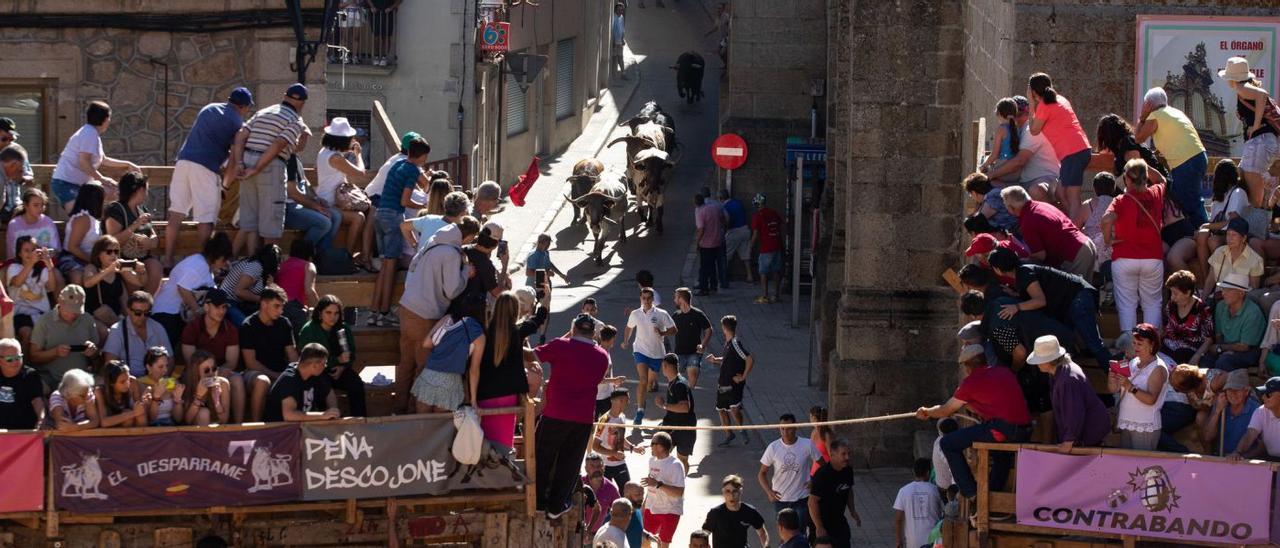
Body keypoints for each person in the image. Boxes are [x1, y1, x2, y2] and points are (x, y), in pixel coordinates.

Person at [916, 344, 1031, 501]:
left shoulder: (970, 383)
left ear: (967, 367)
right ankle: (991, 495)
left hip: (1003, 429)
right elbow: (997, 403)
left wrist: (927, 412)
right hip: (1025, 429)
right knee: (1000, 455)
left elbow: (945, 411)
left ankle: (971, 493)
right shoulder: (1003, 372)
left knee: (948, 443)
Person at [164, 87, 255, 267]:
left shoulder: (209, 108)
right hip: (205, 168)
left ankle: (167, 259)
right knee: (206, 219)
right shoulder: (237, 124)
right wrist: (226, 186)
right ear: (244, 107)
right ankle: (208, 264)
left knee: (175, 214)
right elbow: (233, 161)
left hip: (183, 162)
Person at [533, 308, 611, 517]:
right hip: (583, 419)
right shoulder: (603, 356)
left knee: (543, 457)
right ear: (593, 333)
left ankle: (539, 503)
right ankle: (556, 506)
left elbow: (534, 355)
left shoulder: (561, 346)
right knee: (570, 462)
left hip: (555, 414)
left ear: (573, 328)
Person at [987, 247, 1112, 367]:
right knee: (1081, 344)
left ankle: (1117, 376)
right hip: (1075, 299)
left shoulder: (1023, 272)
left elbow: (1040, 301)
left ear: (997, 269)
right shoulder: (1023, 269)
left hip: (1077, 298)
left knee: (1094, 344)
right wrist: (1015, 294)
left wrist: (1016, 307)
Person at [231, 84, 309, 254]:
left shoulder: (263, 112)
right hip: (270, 166)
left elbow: (240, 135)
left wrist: (239, 163)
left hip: (247, 161)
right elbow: (279, 144)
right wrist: (258, 168)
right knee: (271, 227)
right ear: (302, 103)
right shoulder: (296, 120)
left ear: (284, 95)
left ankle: (234, 264)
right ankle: (268, 271)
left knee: (249, 223)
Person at [474, 291, 548, 452]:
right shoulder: (518, 331)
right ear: (515, 311)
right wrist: (546, 299)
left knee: (484, 442)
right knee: (503, 443)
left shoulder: (483, 333)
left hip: (484, 395)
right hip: (508, 395)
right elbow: (539, 318)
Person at [369, 137, 431, 327]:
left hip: (379, 215)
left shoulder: (399, 164)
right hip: (394, 217)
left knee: (384, 267)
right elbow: (405, 201)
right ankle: (385, 311)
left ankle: (374, 312)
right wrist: (424, 205)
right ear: (421, 156)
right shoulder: (412, 170)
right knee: (390, 268)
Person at [1100, 158, 1167, 330]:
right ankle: (1151, 346)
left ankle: (1129, 348)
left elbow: (1106, 219)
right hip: (1152, 258)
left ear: (1127, 179)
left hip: (1124, 258)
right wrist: (1145, 164)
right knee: (1152, 304)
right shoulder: (1156, 193)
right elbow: (1161, 179)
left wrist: (1108, 240)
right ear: (1145, 177)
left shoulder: (1121, 200)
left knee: (1127, 306)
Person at [1136, 86, 1209, 227]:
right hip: (1199, 157)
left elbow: (1138, 138)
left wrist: (1142, 117)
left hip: (1185, 162)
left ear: (1149, 104)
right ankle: (1199, 234)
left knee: (1190, 203)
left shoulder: (1155, 115)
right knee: (1188, 199)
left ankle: (1203, 235)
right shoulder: (1175, 112)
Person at [49, 100, 139, 213]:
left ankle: (113, 221)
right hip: (66, 184)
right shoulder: (89, 134)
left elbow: (103, 159)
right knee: (81, 217)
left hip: (79, 184)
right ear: (105, 119)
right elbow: (84, 163)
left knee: (113, 190)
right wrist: (102, 179)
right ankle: (111, 224)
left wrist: (127, 164)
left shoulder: (91, 133)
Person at [1026, 335, 1109, 451]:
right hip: (1086, 434)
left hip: (1089, 435)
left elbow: (1074, 410)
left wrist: (1069, 440)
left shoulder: (1067, 379)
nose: (1037, 364)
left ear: (1048, 361)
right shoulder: (1061, 373)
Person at [1027, 72, 1092, 219]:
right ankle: (1071, 223)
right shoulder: (1060, 99)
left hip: (1074, 152)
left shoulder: (1044, 105)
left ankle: (1076, 228)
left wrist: (1031, 104)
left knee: (1072, 196)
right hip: (1077, 150)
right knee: (1060, 193)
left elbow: (1034, 130)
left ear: (1033, 92)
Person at [152, 232, 233, 350]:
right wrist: (198, 311)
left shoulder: (205, 266)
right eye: (224, 259)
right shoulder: (197, 265)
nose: (225, 263)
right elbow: (183, 289)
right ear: (215, 256)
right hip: (168, 314)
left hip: (178, 315)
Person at [1219, 57, 1278, 211]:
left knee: (1252, 199)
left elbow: (1261, 95)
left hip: (1259, 142)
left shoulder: (1241, 87)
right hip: (1262, 143)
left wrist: (1256, 125)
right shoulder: (1245, 88)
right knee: (1245, 180)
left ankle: (1254, 231)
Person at [1000, 185, 1095, 278]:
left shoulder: (1028, 220)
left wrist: (1021, 262)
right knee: (1088, 291)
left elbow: (1040, 255)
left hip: (1074, 255)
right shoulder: (1041, 205)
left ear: (1012, 208)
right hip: (1085, 245)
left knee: (1077, 292)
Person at [180, 289, 245, 422]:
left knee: (237, 380)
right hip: (196, 373)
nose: (221, 311)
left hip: (219, 371)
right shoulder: (192, 328)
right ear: (206, 306)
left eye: (224, 307)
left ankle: (239, 425)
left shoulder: (230, 329)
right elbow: (191, 361)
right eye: (217, 306)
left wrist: (215, 373)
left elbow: (231, 362)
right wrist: (207, 374)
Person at [985, 96, 1062, 205]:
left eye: (1018, 115)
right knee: (991, 186)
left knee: (1036, 191)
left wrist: (991, 174)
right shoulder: (1017, 129)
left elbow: (1020, 161)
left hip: (1043, 178)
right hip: (1024, 180)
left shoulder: (1031, 129)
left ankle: (1053, 218)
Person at [297, 294, 364, 417]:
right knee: (321, 388)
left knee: (356, 384)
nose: (333, 317)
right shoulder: (309, 330)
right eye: (328, 313)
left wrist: (343, 366)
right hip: (316, 372)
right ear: (320, 313)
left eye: (336, 313)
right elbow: (307, 359)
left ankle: (359, 420)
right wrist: (336, 360)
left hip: (339, 370)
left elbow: (351, 353)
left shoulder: (343, 328)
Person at [1108, 323, 1170, 450]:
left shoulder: (1158, 368)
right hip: (1126, 423)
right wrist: (1112, 378)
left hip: (1145, 426)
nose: (1135, 347)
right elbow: (1113, 389)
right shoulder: (1133, 362)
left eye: (1140, 344)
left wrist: (1130, 387)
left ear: (1152, 345)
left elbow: (1151, 400)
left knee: (1141, 468)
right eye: (1134, 343)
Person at [242, 286, 299, 422]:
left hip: (281, 372)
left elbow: (292, 355)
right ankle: (256, 426)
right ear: (264, 304)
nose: (280, 310)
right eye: (276, 306)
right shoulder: (248, 325)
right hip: (254, 373)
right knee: (263, 381)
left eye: (282, 307)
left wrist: (296, 372)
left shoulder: (284, 323)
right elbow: (251, 362)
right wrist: (276, 376)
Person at [413, 306, 485, 413]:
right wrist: (473, 400)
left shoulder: (448, 318)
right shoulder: (479, 333)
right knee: (439, 426)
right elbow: (474, 370)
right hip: (450, 383)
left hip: (429, 376)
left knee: (422, 424)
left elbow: (426, 343)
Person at [29, 285, 100, 391]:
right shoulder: (44, 321)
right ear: (59, 301)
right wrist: (55, 352)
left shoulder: (87, 319)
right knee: (38, 388)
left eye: (76, 311)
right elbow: (33, 356)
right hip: (50, 378)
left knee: (103, 384)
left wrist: (93, 352)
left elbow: (98, 359)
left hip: (82, 378)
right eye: (69, 310)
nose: (72, 314)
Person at [758, 413, 821, 534]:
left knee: (800, 533)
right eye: (782, 429)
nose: (785, 432)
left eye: (789, 428)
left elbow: (823, 466)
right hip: (780, 499)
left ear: (796, 427)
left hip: (802, 499)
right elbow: (762, 473)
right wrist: (769, 492)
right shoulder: (773, 447)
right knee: (785, 534)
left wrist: (814, 480)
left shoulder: (807, 444)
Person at [315, 117, 369, 257]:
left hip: (326, 198)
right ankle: (348, 255)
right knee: (359, 218)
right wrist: (358, 155)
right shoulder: (336, 158)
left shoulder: (324, 152)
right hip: (331, 203)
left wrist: (349, 150)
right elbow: (360, 172)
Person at [622, 287, 676, 424]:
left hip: (657, 353)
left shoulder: (662, 314)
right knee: (643, 379)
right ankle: (640, 411)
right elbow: (629, 328)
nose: (646, 301)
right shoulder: (635, 314)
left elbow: (674, 329)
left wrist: (663, 333)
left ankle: (643, 400)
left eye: (648, 298)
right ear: (640, 298)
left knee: (650, 383)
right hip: (640, 351)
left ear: (653, 299)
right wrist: (626, 341)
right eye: (643, 298)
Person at [103, 171, 161, 294]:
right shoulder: (115, 209)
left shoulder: (142, 209)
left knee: (155, 266)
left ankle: (146, 305)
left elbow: (154, 236)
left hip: (142, 256)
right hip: (121, 258)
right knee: (133, 272)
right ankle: (133, 307)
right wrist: (135, 225)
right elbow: (112, 240)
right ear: (139, 190)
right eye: (145, 189)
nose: (146, 193)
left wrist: (150, 242)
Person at [83, 235, 147, 340]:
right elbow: (88, 282)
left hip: (114, 317)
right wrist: (108, 270)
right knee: (105, 332)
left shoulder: (120, 271)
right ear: (98, 254)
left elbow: (140, 282)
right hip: (94, 316)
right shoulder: (92, 268)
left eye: (116, 252)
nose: (113, 255)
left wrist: (142, 271)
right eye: (109, 252)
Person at [704, 315, 753, 445]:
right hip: (723, 384)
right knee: (721, 409)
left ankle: (742, 430)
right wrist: (715, 359)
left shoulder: (735, 343)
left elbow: (749, 359)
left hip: (733, 384)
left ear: (724, 328)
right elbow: (727, 360)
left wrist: (743, 376)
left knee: (734, 409)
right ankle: (729, 434)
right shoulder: (728, 344)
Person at [262, 343, 339, 422]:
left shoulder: (315, 374)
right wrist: (322, 415)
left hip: (301, 427)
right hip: (279, 429)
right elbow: (289, 415)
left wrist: (333, 411)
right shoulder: (289, 380)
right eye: (324, 363)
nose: (325, 366)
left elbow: (329, 393)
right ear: (315, 365)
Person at [103, 291, 173, 377]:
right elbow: (110, 364)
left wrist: (163, 380)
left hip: (157, 380)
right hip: (130, 382)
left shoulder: (157, 327)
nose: (142, 317)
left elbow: (170, 359)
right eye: (138, 313)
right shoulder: (117, 330)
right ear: (128, 310)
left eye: (147, 313)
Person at [1204, 273, 1265, 371]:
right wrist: (1222, 349)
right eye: (1223, 289)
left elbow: (1245, 346)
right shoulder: (1221, 306)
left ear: (1241, 293)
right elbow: (1219, 335)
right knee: (1206, 359)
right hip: (1226, 346)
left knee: (1224, 362)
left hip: (1248, 351)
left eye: (1228, 290)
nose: (1223, 293)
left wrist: (1222, 348)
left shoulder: (1253, 313)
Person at [7, 235, 58, 347]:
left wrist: (49, 267)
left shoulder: (43, 269)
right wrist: (31, 263)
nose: (30, 253)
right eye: (26, 250)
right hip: (20, 314)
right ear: (19, 254)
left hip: (42, 314)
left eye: (33, 250)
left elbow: (52, 288)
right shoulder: (13, 268)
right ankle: (24, 363)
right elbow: (17, 283)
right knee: (27, 333)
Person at [808, 438, 860, 548]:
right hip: (822, 523)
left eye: (848, 453)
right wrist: (819, 526)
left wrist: (852, 510)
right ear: (832, 455)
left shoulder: (848, 470)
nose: (847, 457)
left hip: (839, 521)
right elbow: (812, 502)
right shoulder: (822, 474)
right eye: (843, 454)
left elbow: (848, 490)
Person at [641, 432, 686, 548]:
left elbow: (679, 492)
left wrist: (658, 484)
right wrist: (644, 505)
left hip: (670, 511)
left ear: (660, 446)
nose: (650, 446)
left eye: (652, 443)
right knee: (643, 541)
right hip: (651, 509)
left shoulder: (675, 465)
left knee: (663, 545)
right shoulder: (652, 460)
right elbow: (651, 485)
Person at [56, 182, 105, 286]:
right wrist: (93, 261)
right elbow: (72, 247)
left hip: (89, 260)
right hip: (72, 259)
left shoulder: (94, 220)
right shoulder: (83, 218)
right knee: (78, 276)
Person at [219, 244, 281, 326]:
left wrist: (270, 286)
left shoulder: (263, 272)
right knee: (247, 327)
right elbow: (239, 291)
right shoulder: (255, 266)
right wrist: (261, 299)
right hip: (227, 301)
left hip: (239, 304)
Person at [1162, 270, 1215, 364]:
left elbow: (1209, 339)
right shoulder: (1171, 306)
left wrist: (1197, 356)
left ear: (1187, 292)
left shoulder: (1203, 309)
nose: (1172, 297)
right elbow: (1164, 329)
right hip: (1168, 347)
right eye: (1171, 293)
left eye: (1175, 294)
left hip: (1189, 351)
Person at [457, 222, 506, 323]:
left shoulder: (463, 249)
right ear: (496, 244)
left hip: (454, 304)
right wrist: (505, 265)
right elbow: (497, 293)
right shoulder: (486, 265)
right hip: (471, 314)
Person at [702, 474, 769, 548]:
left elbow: (762, 533)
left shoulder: (750, 511)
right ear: (723, 492)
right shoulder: (715, 513)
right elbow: (704, 534)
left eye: (735, 491)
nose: (732, 495)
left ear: (741, 491)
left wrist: (766, 546)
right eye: (728, 491)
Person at [1203, 369, 1259, 456]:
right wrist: (1217, 411)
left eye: (1237, 390)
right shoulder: (1221, 404)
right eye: (1229, 390)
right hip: (1221, 458)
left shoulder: (1256, 409)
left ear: (1246, 391)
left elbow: (1263, 445)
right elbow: (1207, 437)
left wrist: (1241, 457)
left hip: (1245, 461)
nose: (1233, 394)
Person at [654, 354, 696, 471]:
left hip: (684, 429)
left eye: (663, 366)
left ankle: (679, 486)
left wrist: (663, 405)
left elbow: (684, 407)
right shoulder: (674, 382)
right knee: (659, 453)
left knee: (682, 460)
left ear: (666, 365)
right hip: (672, 426)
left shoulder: (679, 384)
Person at [893, 458, 943, 548]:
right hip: (933, 541)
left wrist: (898, 540)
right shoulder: (935, 490)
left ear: (914, 472)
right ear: (928, 472)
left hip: (912, 542)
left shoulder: (903, 491)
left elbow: (898, 520)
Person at [1230, 377, 1280, 460]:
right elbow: (1249, 435)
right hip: (1271, 460)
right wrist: (1237, 452)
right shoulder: (1261, 411)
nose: (1263, 397)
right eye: (1263, 393)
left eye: (1268, 395)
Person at [671, 288, 711, 388]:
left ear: (681, 299)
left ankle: (687, 394)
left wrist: (703, 344)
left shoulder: (698, 314)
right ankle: (680, 395)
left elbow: (708, 329)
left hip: (694, 353)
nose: (674, 300)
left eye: (676, 297)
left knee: (692, 378)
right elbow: (669, 329)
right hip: (679, 352)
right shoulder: (676, 315)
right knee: (674, 378)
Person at [0, 337, 44, 429]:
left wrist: (41, 419)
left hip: (24, 431)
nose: (15, 362)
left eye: (18, 357)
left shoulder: (30, 375)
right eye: (10, 359)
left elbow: (37, 400)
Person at [180, 349, 232, 425]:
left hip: (215, 427)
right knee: (204, 413)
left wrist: (217, 402)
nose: (211, 373)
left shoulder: (222, 384)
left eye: (214, 369)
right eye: (206, 370)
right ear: (196, 372)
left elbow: (224, 420)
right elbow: (187, 420)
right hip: (195, 429)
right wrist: (198, 397)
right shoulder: (187, 384)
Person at [977, 97, 1021, 186]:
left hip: (1003, 170)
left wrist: (983, 166)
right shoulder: (1017, 128)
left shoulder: (1001, 129)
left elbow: (995, 155)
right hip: (1016, 172)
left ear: (999, 113)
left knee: (983, 161)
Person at [749, 193, 784, 304]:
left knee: (763, 272)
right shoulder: (773, 212)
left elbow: (755, 234)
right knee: (776, 271)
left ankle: (764, 296)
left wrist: (750, 246)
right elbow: (781, 225)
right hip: (777, 245)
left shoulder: (757, 216)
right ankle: (776, 295)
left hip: (766, 248)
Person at [6, 188, 59, 258]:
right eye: (36, 205)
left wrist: (42, 254)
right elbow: (12, 254)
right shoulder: (14, 225)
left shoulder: (48, 222)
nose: (40, 209)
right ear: (26, 205)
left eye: (42, 205)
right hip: (21, 265)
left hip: (44, 263)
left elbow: (56, 249)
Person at [134, 347, 181, 426]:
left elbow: (178, 419)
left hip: (170, 426)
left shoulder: (172, 383)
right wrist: (156, 397)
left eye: (167, 366)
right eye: (160, 367)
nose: (165, 370)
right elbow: (150, 418)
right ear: (149, 367)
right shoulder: (140, 384)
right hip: (151, 429)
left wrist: (177, 400)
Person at [97, 361, 149, 428]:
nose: (127, 384)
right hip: (111, 428)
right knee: (127, 415)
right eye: (122, 382)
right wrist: (134, 413)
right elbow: (104, 422)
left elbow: (140, 410)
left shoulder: (132, 382)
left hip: (132, 421)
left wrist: (145, 403)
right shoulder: (100, 391)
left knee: (140, 416)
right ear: (111, 383)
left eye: (128, 379)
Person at [694, 193, 726, 295]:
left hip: (706, 243)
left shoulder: (700, 212)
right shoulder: (714, 208)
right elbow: (723, 219)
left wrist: (697, 242)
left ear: (695, 203)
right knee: (713, 265)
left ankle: (704, 288)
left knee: (704, 267)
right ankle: (713, 286)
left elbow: (701, 229)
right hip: (717, 241)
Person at [583, 453, 622, 534]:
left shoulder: (611, 488)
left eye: (599, 466)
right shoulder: (579, 484)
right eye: (592, 466)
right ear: (586, 469)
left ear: (604, 467)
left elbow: (619, 510)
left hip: (596, 534)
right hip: (576, 531)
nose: (596, 469)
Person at [276, 238, 319, 311]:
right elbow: (309, 291)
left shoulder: (282, 264)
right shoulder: (308, 266)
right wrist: (321, 310)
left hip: (276, 307)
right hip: (294, 308)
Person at [810, 406, 833, 475]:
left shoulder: (827, 435)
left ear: (814, 418)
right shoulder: (813, 432)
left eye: (811, 417)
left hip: (825, 471)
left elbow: (832, 455)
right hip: (814, 471)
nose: (810, 420)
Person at [610, 2, 626, 79]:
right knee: (614, 58)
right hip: (614, 42)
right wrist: (613, 41)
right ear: (616, 10)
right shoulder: (613, 18)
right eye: (619, 10)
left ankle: (623, 73)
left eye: (622, 10)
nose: (621, 11)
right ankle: (614, 75)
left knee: (621, 58)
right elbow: (612, 30)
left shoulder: (621, 17)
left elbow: (622, 29)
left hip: (619, 42)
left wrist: (623, 39)